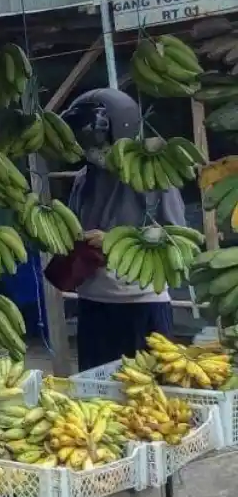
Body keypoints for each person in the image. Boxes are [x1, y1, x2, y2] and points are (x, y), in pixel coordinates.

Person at [63, 88, 187, 370]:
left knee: (149, 399)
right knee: (96, 394)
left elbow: (179, 240)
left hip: (142, 302)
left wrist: (115, 242)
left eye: (99, 143)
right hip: (93, 302)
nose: (94, 152)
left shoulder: (157, 178)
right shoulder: (84, 179)